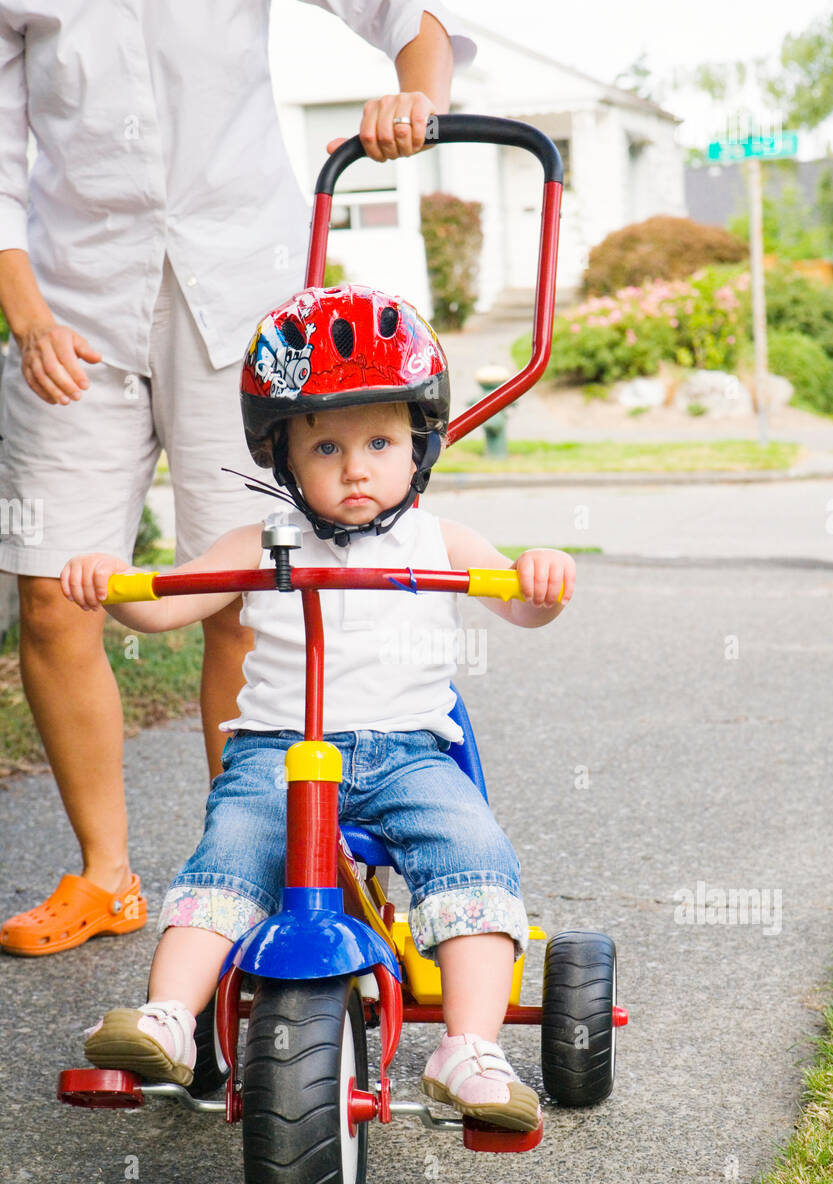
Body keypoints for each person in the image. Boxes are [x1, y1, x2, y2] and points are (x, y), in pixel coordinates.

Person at [0, 0, 475, 955]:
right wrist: (28, 315)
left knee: (245, 592)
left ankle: (253, 870)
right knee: (53, 593)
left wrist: (416, 97)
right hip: (70, 299)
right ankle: (107, 874)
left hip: (244, 302)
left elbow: (409, 12)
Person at [62, 284, 576, 1132]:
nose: (355, 467)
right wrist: (107, 583)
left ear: (420, 443)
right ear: (283, 458)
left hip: (408, 755)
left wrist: (542, 577)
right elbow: (163, 605)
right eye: (326, 446)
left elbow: (521, 602)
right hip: (278, 753)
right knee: (230, 854)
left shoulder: (438, 539)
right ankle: (170, 1019)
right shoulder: (261, 543)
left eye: (379, 440)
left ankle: (470, 1048)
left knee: (472, 848)